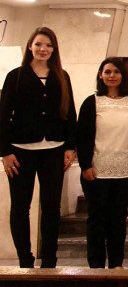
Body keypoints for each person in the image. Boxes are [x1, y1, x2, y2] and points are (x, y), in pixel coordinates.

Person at [0, 27, 77, 269]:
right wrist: (4, 152)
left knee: (51, 206)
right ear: (30, 46)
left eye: (49, 45)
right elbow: (2, 116)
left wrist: (70, 147)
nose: (43, 49)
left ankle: (50, 260)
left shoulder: (61, 76)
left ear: (54, 49)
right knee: (21, 207)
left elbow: (69, 113)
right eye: (39, 44)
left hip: (54, 149)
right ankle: (25, 259)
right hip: (20, 150)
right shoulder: (16, 76)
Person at [77, 58, 128, 269]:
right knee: (97, 219)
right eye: (107, 71)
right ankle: (96, 264)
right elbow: (82, 136)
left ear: (123, 75)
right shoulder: (92, 102)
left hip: (125, 168)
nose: (112, 75)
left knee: (118, 219)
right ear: (100, 75)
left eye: (116, 71)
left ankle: (116, 263)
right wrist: (85, 165)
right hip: (96, 169)